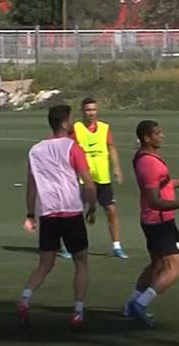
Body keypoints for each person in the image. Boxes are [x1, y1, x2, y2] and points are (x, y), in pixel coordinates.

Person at [17, 105, 97, 330]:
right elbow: (88, 181)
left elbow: (31, 186)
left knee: (45, 263)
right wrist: (92, 206)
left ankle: (25, 298)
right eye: (70, 119)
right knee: (81, 261)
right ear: (64, 123)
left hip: (48, 212)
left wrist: (31, 213)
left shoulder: (36, 150)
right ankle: (78, 312)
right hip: (71, 210)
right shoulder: (73, 147)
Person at [122, 120, 179, 327]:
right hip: (159, 222)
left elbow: (163, 184)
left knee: (157, 265)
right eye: (158, 133)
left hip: (150, 220)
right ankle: (140, 304)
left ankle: (130, 304)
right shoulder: (149, 164)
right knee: (174, 270)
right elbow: (155, 200)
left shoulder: (145, 158)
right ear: (147, 138)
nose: (163, 136)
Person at [68, 97, 128, 259]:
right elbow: (67, 149)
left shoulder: (104, 128)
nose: (91, 113)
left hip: (102, 176)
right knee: (75, 213)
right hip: (82, 176)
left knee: (111, 210)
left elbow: (111, 147)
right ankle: (69, 246)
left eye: (93, 109)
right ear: (82, 111)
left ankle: (116, 246)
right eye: (88, 110)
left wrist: (116, 168)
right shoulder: (76, 128)